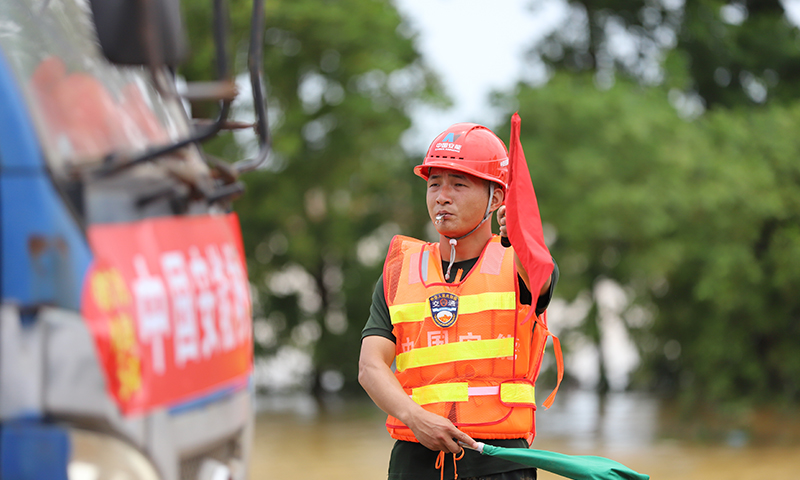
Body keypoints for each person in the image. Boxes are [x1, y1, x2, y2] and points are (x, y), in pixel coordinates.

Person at [358, 121, 560, 480]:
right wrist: (415, 417)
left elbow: (539, 273)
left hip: (499, 462)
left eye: (459, 184)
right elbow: (370, 367)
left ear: (495, 199)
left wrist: (521, 233)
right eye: (434, 183)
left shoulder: (519, 264)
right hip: (414, 461)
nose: (442, 196)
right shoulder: (399, 271)